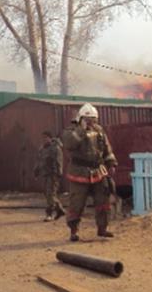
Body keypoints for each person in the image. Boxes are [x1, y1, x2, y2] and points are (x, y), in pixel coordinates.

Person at [62, 103, 118, 241]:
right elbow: (69, 144)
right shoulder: (71, 130)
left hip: (98, 170)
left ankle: (102, 229)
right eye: (88, 119)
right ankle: (74, 231)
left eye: (93, 119)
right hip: (79, 172)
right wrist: (82, 130)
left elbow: (106, 147)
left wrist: (111, 162)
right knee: (77, 203)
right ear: (80, 118)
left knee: (103, 200)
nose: (91, 122)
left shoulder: (99, 130)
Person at [34, 130, 66, 222]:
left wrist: (59, 173)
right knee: (48, 194)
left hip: (53, 174)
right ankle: (60, 210)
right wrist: (36, 171)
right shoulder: (42, 149)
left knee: (50, 194)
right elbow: (39, 161)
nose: (44, 139)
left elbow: (59, 161)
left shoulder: (55, 148)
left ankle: (49, 214)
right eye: (43, 138)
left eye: (46, 137)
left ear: (50, 138)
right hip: (45, 174)